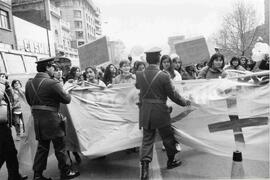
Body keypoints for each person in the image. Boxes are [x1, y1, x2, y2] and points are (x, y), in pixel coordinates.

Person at [135, 47, 191, 180]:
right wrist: (185, 102)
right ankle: (171, 162)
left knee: (147, 140)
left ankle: (144, 172)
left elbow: (138, 87)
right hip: (161, 111)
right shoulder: (164, 75)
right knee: (168, 138)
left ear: (147, 59)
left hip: (145, 111)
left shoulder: (139, 74)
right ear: (159, 59)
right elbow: (173, 95)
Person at [25, 58, 80, 180]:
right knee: (60, 146)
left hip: (38, 120)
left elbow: (30, 102)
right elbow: (67, 99)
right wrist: (68, 89)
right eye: (53, 67)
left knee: (42, 148)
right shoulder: (52, 83)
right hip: (52, 120)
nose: (54, 70)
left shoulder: (29, 83)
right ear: (47, 68)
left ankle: (37, 175)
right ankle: (65, 172)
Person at [0, 75, 28, 180]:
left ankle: (14, 176)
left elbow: (11, 100)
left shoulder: (2, 87)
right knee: (5, 152)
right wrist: (2, 83)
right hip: (0, 126)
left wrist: (7, 87)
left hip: (4, 125)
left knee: (10, 152)